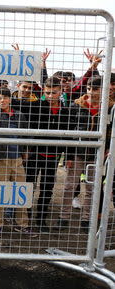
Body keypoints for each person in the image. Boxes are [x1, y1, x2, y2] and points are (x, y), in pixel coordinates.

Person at [24, 77, 76, 232]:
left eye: (54, 92)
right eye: (47, 93)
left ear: (60, 91)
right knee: (29, 186)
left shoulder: (66, 111)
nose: (51, 96)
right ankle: (25, 218)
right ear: (43, 92)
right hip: (34, 153)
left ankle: (41, 220)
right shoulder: (36, 107)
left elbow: (70, 135)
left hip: (53, 155)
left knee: (47, 188)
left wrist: (69, 157)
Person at [57, 76, 105, 232]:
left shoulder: (108, 108)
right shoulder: (76, 106)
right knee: (70, 186)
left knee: (92, 188)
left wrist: (107, 150)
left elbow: (110, 132)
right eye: (89, 88)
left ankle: (86, 219)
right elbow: (70, 132)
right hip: (78, 151)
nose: (91, 92)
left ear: (102, 90)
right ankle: (63, 217)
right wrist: (69, 157)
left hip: (97, 153)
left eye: (95, 89)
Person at [0, 87, 37, 238]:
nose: (1, 101)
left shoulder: (19, 115)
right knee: (0, 192)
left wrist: (26, 151)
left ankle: (22, 224)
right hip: (0, 159)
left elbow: (26, 134)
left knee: (21, 191)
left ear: (10, 99)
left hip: (17, 159)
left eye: (4, 97)